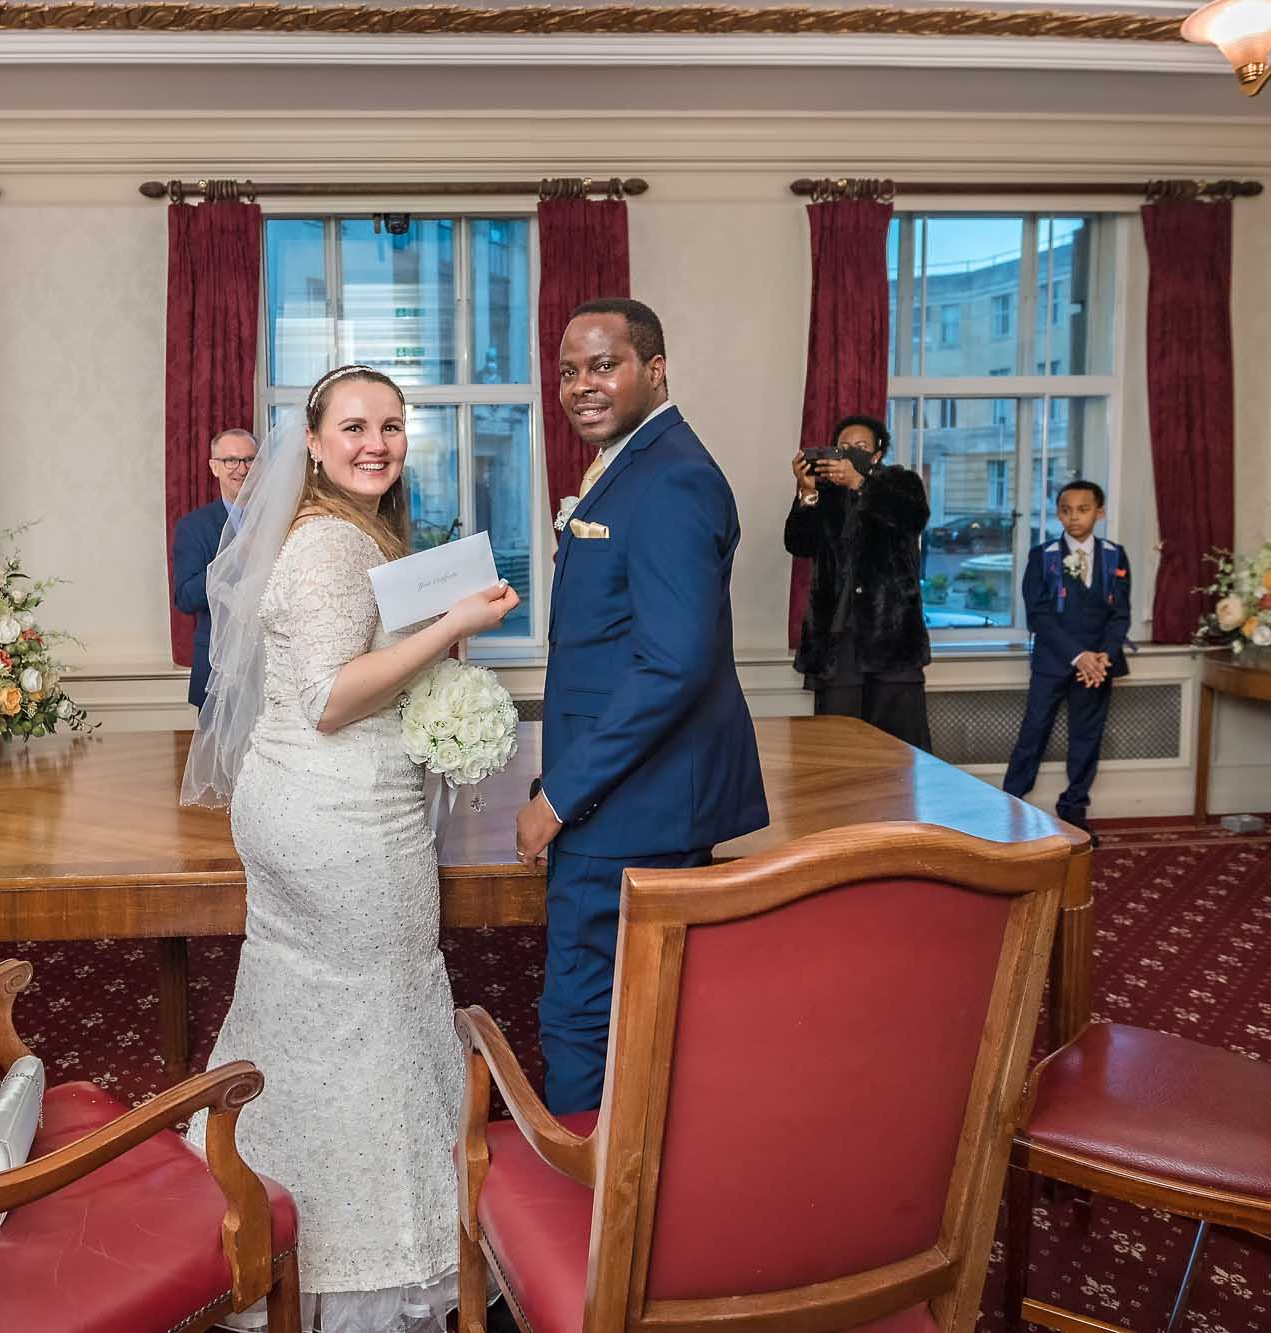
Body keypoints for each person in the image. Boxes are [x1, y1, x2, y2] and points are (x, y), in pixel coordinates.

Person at [179, 365, 518, 1330]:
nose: (378, 443)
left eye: (393, 426)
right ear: (315, 443)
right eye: (356, 427)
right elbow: (332, 697)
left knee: (307, 1006)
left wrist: (435, 646)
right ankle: (376, 1254)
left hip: (296, 807)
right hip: (341, 820)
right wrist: (456, 622)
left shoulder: (338, 530)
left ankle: (273, 1217)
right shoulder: (329, 543)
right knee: (376, 1008)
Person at [514, 298, 767, 1115]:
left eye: (603, 365)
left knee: (584, 1011)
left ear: (655, 370)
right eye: (567, 371)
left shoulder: (672, 477)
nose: (581, 385)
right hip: (636, 792)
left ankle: (586, 1211)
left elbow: (673, 662)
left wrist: (558, 794)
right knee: (634, 1005)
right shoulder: (636, 461)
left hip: (630, 806)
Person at [785, 414, 933, 750]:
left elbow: (913, 517)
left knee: (900, 752)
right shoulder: (826, 495)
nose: (851, 452)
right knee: (839, 751)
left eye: (861, 447)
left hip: (891, 642)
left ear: (878, 453)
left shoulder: (900, 485)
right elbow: (799, 544)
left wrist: (859, 484)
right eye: (844, 447)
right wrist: (807, 494)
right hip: (838, 646)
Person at [1001, 480, 1133, 840]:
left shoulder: (1114, 555)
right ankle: (1010, 803)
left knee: (1086, 737)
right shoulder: (1041, 555)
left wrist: (1103, 656)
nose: (1074, 517)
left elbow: (1120, 614)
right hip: (1054, 661)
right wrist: (1079, 656)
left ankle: (1074, 809)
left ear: (1099, 512)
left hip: (1097, 667)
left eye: (1083, 509)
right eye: (1066, 509)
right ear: (1058, 513)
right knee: (1033, 732)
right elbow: (1038, 615)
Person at [172, 428, 259, 709]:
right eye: (231, 460)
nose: (241, 469)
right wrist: (232, 559)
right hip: (217, 668)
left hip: (273, 669)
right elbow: (185, 597)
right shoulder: (193, 526)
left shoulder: (282, 519)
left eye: (249, 460)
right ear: (214, 467)